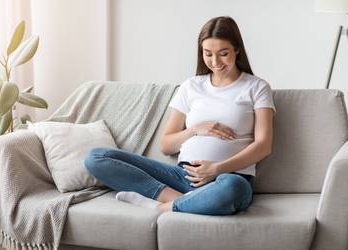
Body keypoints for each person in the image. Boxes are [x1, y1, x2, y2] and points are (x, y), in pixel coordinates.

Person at [84, 16, 275, 215]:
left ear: (237, 49)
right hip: (182, 176)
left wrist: (217, 168)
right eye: (208, 54)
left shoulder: (257, 87)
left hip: (228, 177)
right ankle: (185, 201)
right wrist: (195, 129)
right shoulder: (191, 86)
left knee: (233, 188)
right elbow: (166, 145)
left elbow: (263, 145)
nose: (215, 62)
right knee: (96, 157)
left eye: (223, 53)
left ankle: (161, 207)